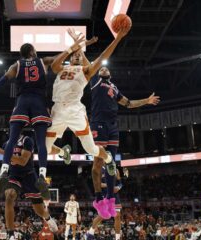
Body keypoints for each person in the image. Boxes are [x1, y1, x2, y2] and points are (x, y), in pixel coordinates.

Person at [46, 28, 129, 219]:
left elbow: (102, 57)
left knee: (92, 150)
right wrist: (71, 47)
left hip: (75, 110)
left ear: (81, 58)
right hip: (58, 110)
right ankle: (63, 151)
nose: (76, 57)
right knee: (44, 148)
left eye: (78, 55)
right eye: (73, 55)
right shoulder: (62, 68)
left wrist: (117, 39)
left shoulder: (86, 70)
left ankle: (108, 160)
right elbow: (53, 66)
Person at [0, 43, 57, 200]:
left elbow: (2, 80)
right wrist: (74, 47)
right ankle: (42, 176)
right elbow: (59, 58)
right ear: (32, 51)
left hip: (22, 102)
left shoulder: (16, 65)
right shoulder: (43, 61)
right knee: (41, 144)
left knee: (12, 140)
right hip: (39, 103)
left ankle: (3, 171)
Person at [90, 65, 159, 213]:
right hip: (99, 123)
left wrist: (146, 101)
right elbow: (90, 64)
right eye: (101, 68)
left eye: (105, 68)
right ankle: (98, 198)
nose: (103, 68)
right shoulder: (95, 80)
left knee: (111, 163)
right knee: (98, 162)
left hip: (113, 126)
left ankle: (109, 198)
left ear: (110, 74)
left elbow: (128, 104)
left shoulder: (114, 88)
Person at [0, 134, 58, 240]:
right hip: (13, 175)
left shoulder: (27, 140)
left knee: (39, 211)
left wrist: (2, 152)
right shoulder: (6, 144)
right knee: (9, 196)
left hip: (29, 175)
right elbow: (5, 165)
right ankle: (11, 234)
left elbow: (23, 161)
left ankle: (48, 218)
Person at [87, 167, 128, 240]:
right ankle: (91, 231)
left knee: (117, 216)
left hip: (114, 195)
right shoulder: (99, 169)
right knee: (101, 216)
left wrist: (118, 187)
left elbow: (120, 182)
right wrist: (109, 186)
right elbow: (98, 184)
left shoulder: (116, 169)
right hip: (104, 194)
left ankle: (117, 238)